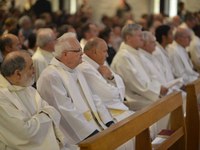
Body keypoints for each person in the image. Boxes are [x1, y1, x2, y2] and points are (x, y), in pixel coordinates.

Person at [37, 32, 114, 145]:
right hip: (77, 136)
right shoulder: (51, 76)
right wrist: (91, 133)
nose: (82, 53)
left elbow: (93, 97)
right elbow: (65, 110)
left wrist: (108, 121)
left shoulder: (76, 69)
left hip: (97, 126)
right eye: (78, 50)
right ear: (65, 54)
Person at [0, 51, 67, 150]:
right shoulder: (2, 98)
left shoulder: (27, 87)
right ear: (18, 74)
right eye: (31, 67)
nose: (34, 71)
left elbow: (54, 113)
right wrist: (47, 114)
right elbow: (24, 133)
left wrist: (41, 116)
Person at [111, 24, 168, 111]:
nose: (142, 38)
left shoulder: (137, 53)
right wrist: (157, 90)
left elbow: (151, 74)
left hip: (147, 95)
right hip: (135, 100)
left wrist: (158, 87)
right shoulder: (123, 57)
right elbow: (136, 84)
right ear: (128, 38)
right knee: (165, 105)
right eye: (139, 36)